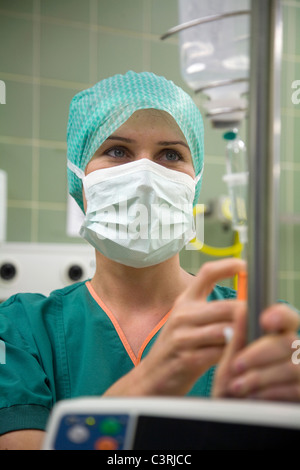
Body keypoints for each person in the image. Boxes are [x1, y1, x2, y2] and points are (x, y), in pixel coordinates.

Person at [0, 71, 299, 450]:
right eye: (118, 151)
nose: (145, 175)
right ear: (79, 177)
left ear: (195, 182)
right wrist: (151, 382)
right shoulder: (18, 333)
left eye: (170, 154)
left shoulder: (264, 329)